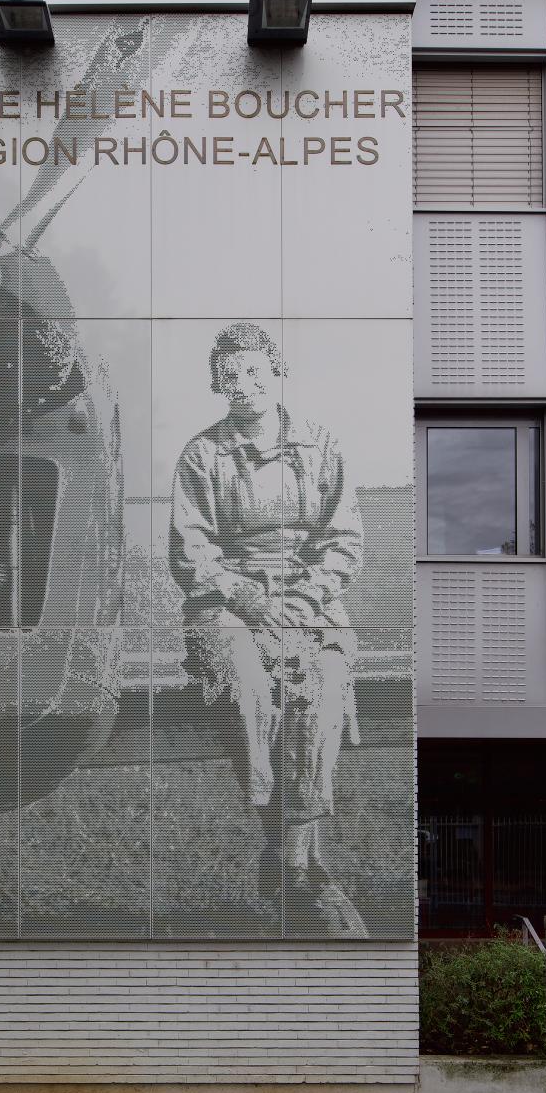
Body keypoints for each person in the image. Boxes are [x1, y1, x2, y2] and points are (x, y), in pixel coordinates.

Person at [169, 322, 367, 934]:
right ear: (217, 385)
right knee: (249, 680)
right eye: (231, 377)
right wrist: (253, 600)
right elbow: (190, 550)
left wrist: (305, 596)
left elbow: (345, 539)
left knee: (324, 682)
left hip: (310, 599)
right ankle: (281, 830)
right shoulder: (202, 455)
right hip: (227, 601)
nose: (245, 386)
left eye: (255, 372)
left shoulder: (322, 446)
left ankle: (290, 859)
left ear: (276, 373)